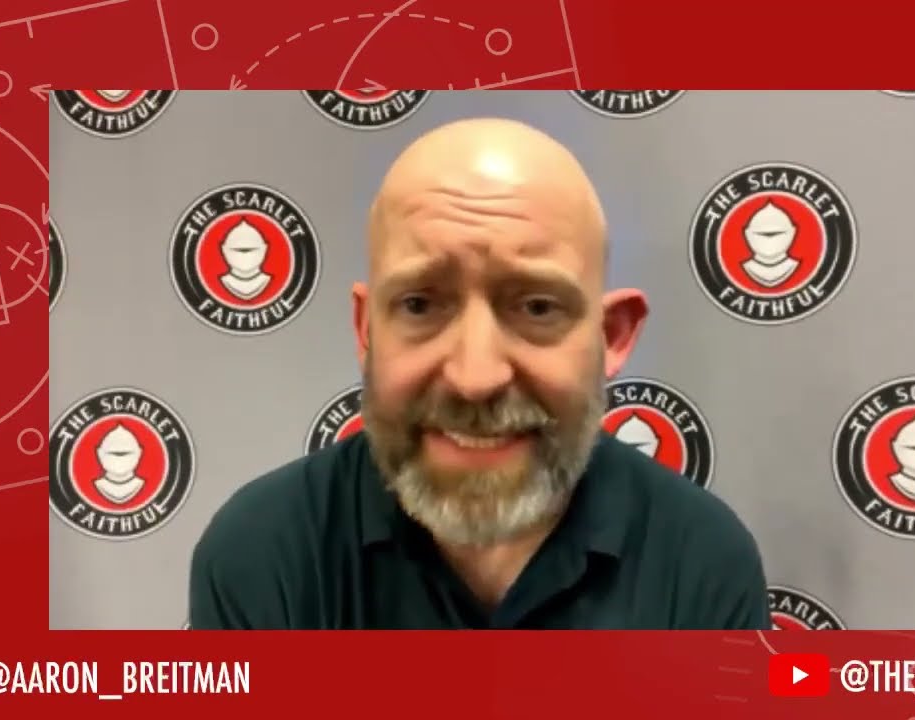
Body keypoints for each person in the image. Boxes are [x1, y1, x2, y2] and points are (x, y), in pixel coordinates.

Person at [188, 117, 771, 630]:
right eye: (420, 304)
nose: (475, 377)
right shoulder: (264, 554)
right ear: (367, 331)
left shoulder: (700, 561)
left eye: (536, 307)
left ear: (611, 336)